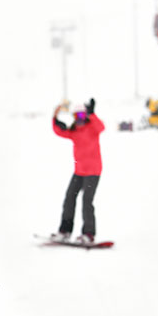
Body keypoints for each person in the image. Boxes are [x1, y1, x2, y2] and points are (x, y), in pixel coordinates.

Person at [51, 98, 105, 243]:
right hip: (79, 172)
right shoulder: (74, 131)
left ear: (85, 115)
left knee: (87, 201)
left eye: (82, 115)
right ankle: (65, 231)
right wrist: (54, 118)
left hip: (93, 172)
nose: (79, 119)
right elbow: (60, 131)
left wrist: (92, 114)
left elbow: (101, 127)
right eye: (76, 116)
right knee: (69, 198)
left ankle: (88, 234)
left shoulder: (92, 128)